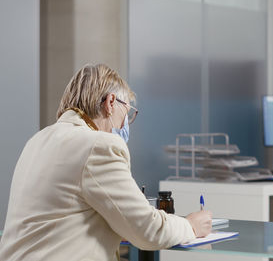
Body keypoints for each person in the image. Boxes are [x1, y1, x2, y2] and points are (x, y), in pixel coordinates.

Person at [0, 64, 212, 260]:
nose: (126, 124)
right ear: (111, 103)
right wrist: (191, 225)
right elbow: (147, 230)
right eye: (127, 113)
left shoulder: (38, 140)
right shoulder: (98, 145)